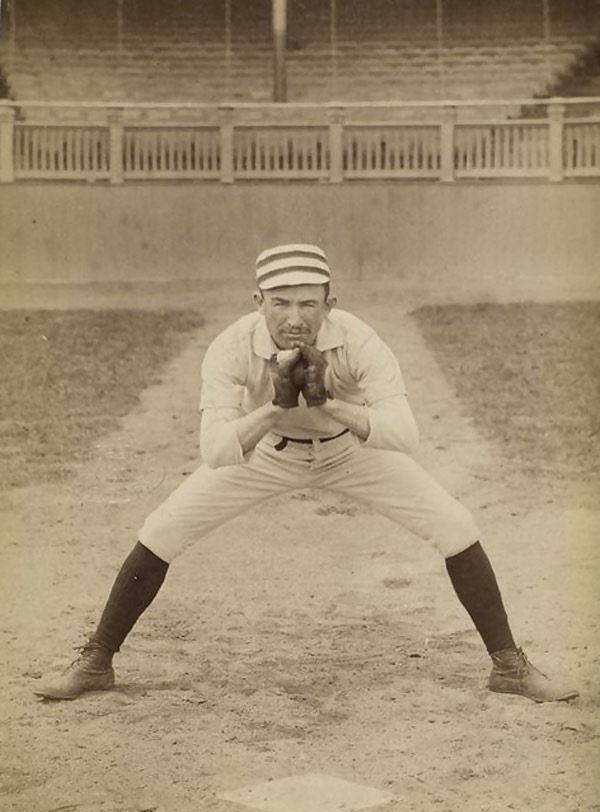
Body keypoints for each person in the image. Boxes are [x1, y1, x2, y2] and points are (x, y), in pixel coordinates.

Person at [35, 243, 578, 704]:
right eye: (280, 303)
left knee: (456, 525)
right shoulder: (230, 346)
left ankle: (508, 667)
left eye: (307, 304)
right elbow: (217, 452)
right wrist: (276, 406)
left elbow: (405, 434)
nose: (294, 317)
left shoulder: (359, 339)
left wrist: (331, 402)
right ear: (258, 303)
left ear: (329, 304)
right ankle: (97, 662)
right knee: (161, 530)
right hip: (266, 451)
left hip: (350, 452)